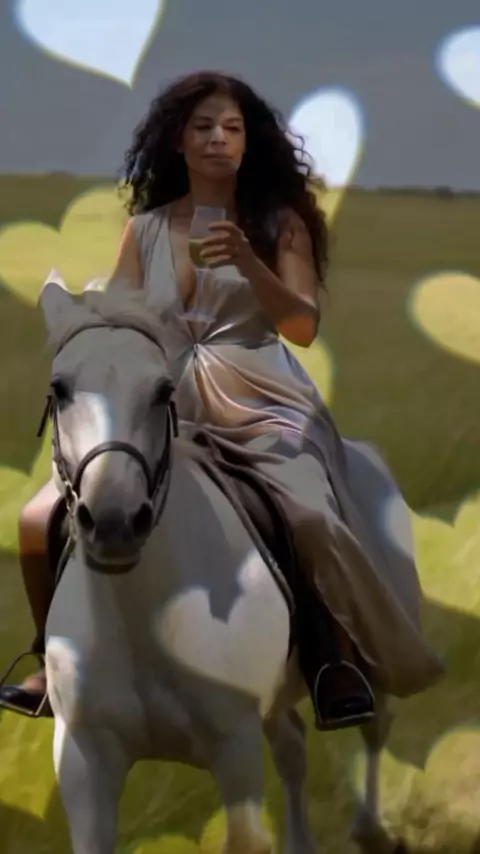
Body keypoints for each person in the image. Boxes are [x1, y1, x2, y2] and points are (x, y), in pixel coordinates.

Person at [0, 71, 443, 726]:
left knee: (309, 516)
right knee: (39, 518)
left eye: (232, 128)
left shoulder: (280, 225)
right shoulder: (146, 230)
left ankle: (332, 659)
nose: (218, 139)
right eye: (203, 127)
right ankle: (50, 661)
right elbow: (121, 322)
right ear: (177, 141)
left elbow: (302, 326)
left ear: (248, 141)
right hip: (163, 398)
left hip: (261, 397)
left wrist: (248, 261)